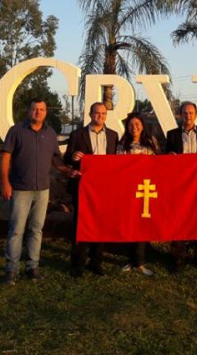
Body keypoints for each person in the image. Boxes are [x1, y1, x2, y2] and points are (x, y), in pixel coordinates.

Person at [1, 99, 78, 285]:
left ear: (46, 112)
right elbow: (5, 158)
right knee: (16, 230)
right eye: (35, 109)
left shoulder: (50, 134)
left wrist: (69, 171)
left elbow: (56, 161)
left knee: (36, 230)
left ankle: (32, 267)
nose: (38, 112)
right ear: (29, 111)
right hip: (20, 189)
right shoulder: (16, 131)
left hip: (42, 190)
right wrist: (5, 183)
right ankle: (12, 270)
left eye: (42, 109)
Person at [64, 102, 119, 277]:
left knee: (101, 225)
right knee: (81, 224)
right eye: (97, 113)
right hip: (83, 187)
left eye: (103, 113)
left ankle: (96, 262)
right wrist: (73, 157)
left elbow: (116, 162)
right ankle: (78, 263)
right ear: (90, 114)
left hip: (105, 188)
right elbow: (67, 157)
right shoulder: (77, 134)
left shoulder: (113, 135)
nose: (100, 116)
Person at [165, 101, 197, 273]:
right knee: (178, 219)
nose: (188, 116)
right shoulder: (172, 135)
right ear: (180, 115)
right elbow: (166, 159)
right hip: (179, 185)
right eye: (185, 113)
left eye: (191, 113)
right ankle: (178, 257)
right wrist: (170, 156)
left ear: (196, 114)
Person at [116, 112, 159, 276]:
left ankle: (140, 262)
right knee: (130, 223)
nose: (134, 127)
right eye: (131, 125)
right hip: (129, 188)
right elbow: (119, 166)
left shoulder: (151, 142)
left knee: (142, 225)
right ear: (127, 127)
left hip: (146, 188)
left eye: (137, 124)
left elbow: (157, 163)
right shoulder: (123, 144)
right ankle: (130, 259)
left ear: (142, 125)